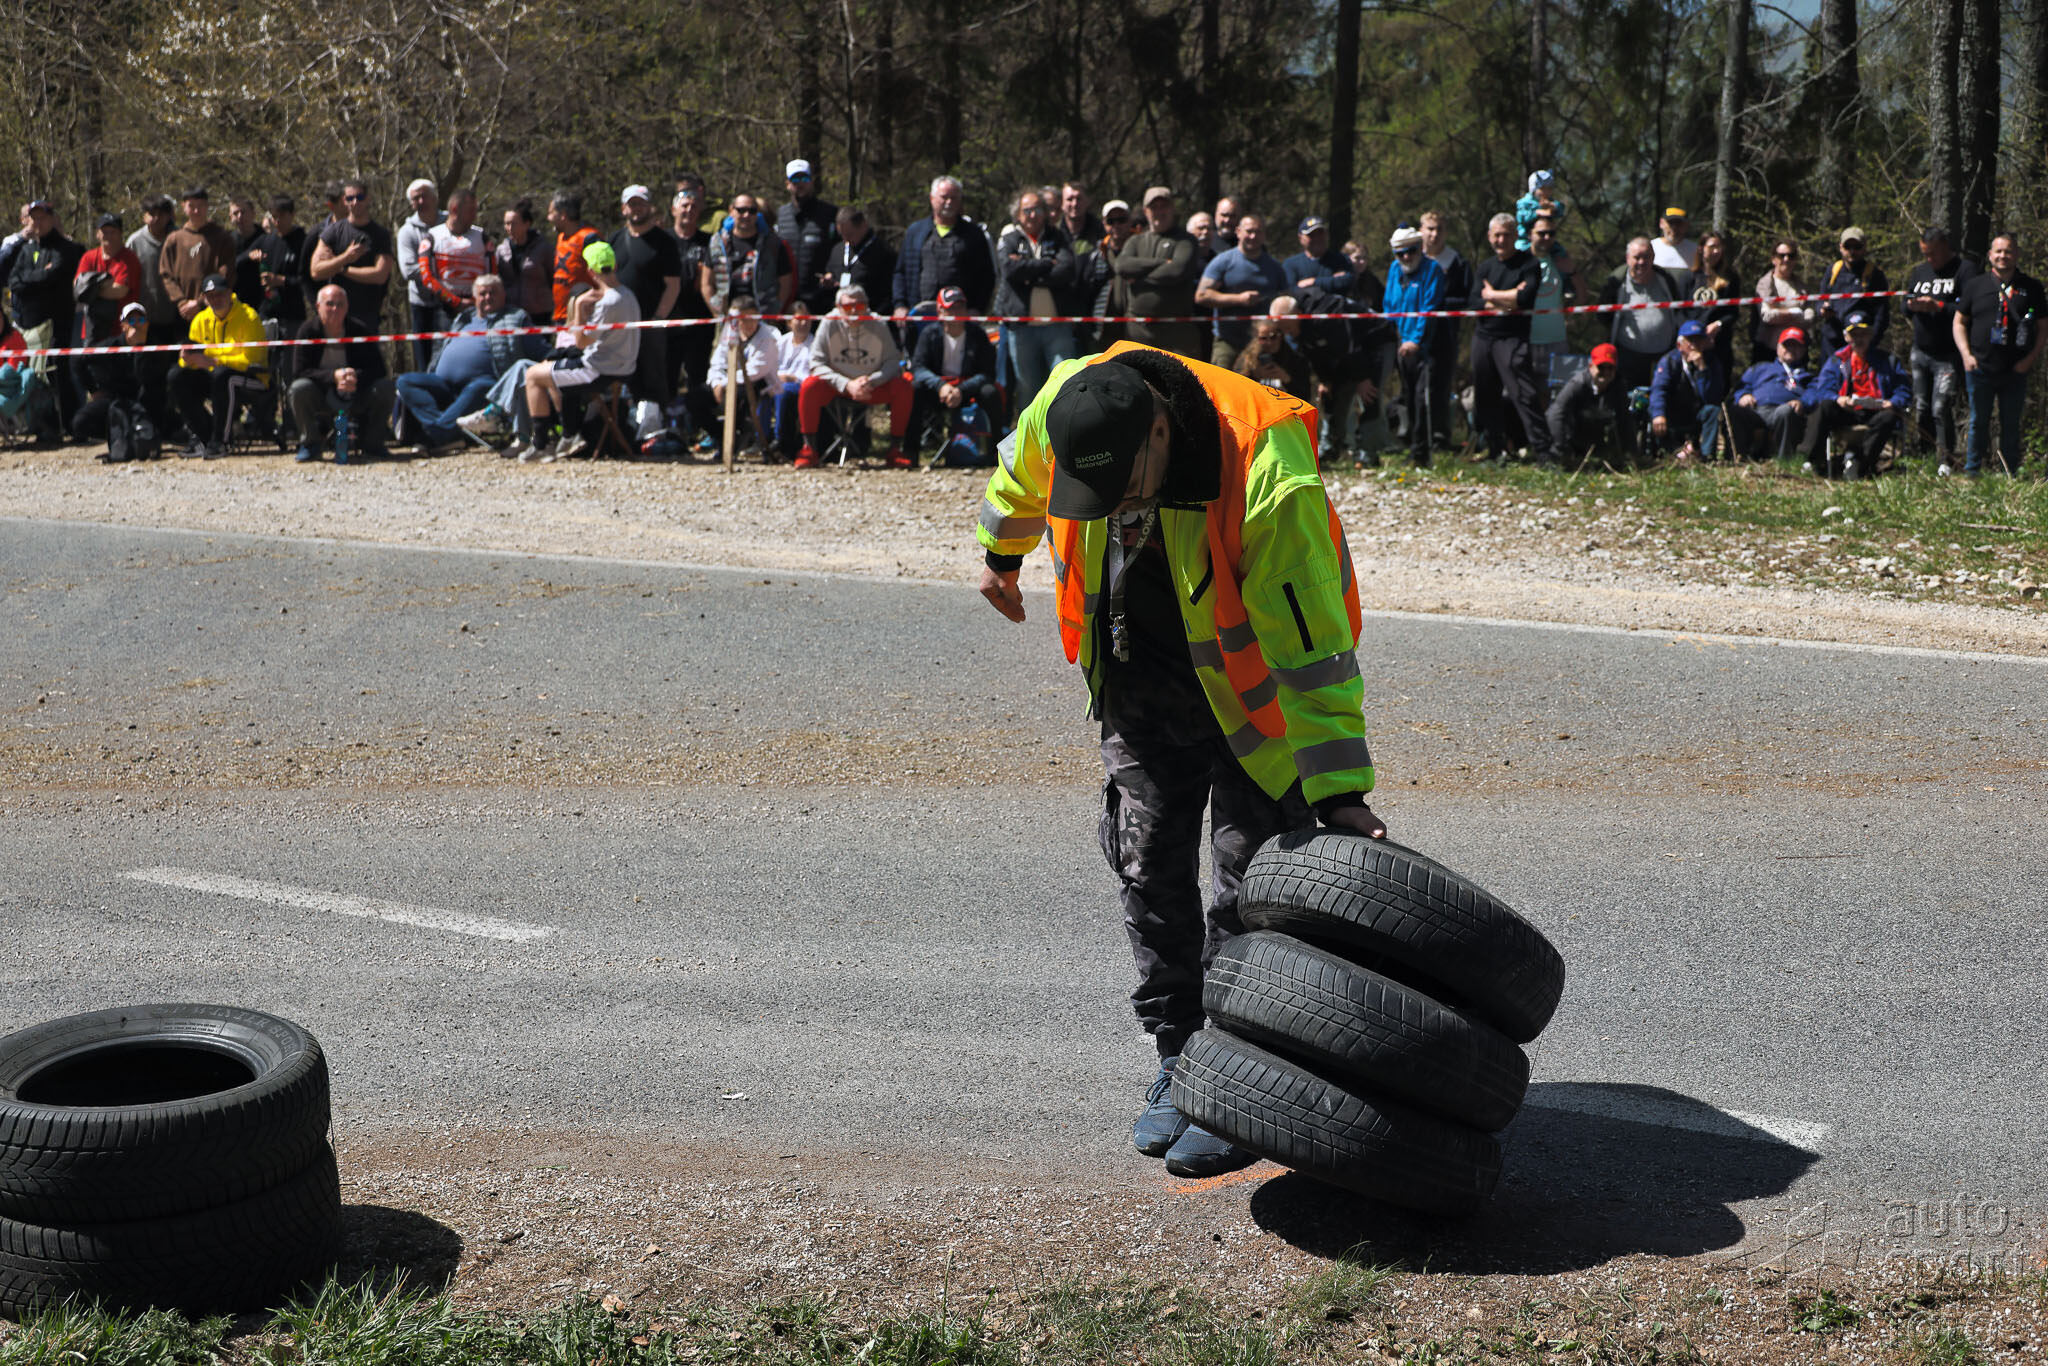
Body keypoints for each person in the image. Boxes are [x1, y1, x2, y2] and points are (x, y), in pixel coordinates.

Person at [972, 341, 1384, 1179]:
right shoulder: (1070, 403)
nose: (1113, 511)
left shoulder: (1265, 465)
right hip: (1138, 680)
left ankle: (1234, 1072)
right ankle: (1178, 1053)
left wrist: (1339, 788)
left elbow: (1312, 645)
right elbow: (1018, 473)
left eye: (1125, 488)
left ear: (1160, 432)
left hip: (1254, 706)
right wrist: (999, 554)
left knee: (1246, 889)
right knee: (1147, 867)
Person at [523, 239, 641, 462]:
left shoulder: (609, 301)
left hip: (598, 369)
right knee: (552, 370)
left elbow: (580, 341)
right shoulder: (628, 294)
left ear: (590, 271)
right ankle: (569, 434)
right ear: (614, 266)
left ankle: (541, 444)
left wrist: (578, 307)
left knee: (533, 376)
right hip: (622, 366)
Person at [396, 274, 536, 455]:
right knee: (406, 381)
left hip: (487, 386)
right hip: (444, 384)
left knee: (479, 386)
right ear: (475, 297)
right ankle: (445, 433)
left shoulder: (515, 319)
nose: (488, 297)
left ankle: (435, 435)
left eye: (493, 292)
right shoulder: (463, 318)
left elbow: (537, 350)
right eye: (482, 293)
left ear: (504, 295)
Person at [1952, 233, 2046, 477]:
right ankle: (1972, 473)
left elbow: (2043, 327)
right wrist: (1966, 355)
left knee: (2011, 423)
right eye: (1999, 251)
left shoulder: (2032, 287)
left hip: (2015, 368)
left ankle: (2009, 474)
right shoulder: (1975, 285)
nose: (2003, 256)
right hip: (1980, 367)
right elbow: (1959, 322)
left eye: (2009, 251)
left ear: (2017, 255)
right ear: (1990, 255)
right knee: (1978, 421)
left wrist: (2030, 360)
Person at [798, 283, 912, 468]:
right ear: (838, 307)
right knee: (809, 386)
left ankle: (895, 450)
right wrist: (846, 384)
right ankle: (808, 449)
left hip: (871, 386)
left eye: (859, 306)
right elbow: (816, 363)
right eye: (847, 306)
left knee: (903, 386)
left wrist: (872, 381)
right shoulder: (828, 322)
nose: (854, 311)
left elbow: (893, 362)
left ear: (867, 306)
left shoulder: (878, 324)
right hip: (837, 385)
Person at [1470, 212, 1551, 465]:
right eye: (1497, 235)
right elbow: (1474, 301)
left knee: (1523, 394)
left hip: (1513, 339)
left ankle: (1545, 452)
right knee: (1485, 395)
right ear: (1489, 237)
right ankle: (1496, 450)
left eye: (1506, 235)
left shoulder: (1528, 264)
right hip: (1484, 337)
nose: (1501, 240)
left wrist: (1492, 295)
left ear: (1515, 236)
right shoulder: (1485, 267)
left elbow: (1525, 299)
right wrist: (1509, 298)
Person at [994, 188, 1080, 412]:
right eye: (1027, 210)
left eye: (1037, 210)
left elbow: (1067, 270)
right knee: (1028, 388)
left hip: (1057, 327)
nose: (1032, 215)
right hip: (1022, 329)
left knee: (1065, 385)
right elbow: (1009, 270)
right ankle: (1028, 434)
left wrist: (1028, 274)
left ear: (1045, 213)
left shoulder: (1058, 237)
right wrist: (1046, 264)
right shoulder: (1009, 238)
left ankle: (1061, 432)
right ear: (1018, 214)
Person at [290, 283, 394, 464]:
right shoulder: (307, 331)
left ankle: (373, 443)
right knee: (298, 389)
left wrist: (355, 377)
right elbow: (299, 371)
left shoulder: (359, 330)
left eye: (340, 304)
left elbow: (379, 369)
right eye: (330, 304)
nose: (335, 309)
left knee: (386, 387)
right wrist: (333, 376)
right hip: (322, 394)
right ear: (318, 306)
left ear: (347, 307)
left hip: (356, 393)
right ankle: (310, 444)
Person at [1798, 310, 1908, 479]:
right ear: (1846, 337)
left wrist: (1892, 402)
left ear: (1870, 335)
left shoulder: (1888, 360)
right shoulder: (1836, 360)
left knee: (1890, 416)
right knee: (1825, 406)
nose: (1859, 339)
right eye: (1854, 335)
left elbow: (1904, 390)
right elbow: (1823, 390)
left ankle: (1860, 463)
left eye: (1863, 334)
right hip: (1847, 411)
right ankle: (1810, 460)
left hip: (1876, 412)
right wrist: (1838, 399)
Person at [1901, 226, 1978, 467]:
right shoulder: (1920, 272)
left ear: (1945, 246)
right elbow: (1904, 304)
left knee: (1940, 407)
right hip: (1920, 350)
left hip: (1948, 353)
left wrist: (1939, 307)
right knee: (1922, 406)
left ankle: (1947, 459)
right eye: (1925, 253)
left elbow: (1971, 309)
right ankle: (1925, 457)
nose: (1929, 259)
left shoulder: (1965, 270)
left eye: (1933, 253)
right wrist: (1912, 305)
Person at [171, 273, 265, 458]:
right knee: (177, 376)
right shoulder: (200, 320)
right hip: (214, 376)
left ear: (230, 293)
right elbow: (188, 357)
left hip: (253, 378)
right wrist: (188, 359)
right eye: (210, 296)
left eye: (220, 294)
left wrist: (216, 361)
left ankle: (221, 441)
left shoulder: (249, 317)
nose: (216, 300)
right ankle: (203, 437)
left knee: (223, 377)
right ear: (204, 298)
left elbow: (252, 360)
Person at [609, 184, 683, 417]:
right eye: (632, 204)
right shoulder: (614, 240)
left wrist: (658, 318)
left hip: (652, 323)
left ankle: (657, 424)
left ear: (650, 207)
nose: (637, 209)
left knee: (654, 377)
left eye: (641, 203)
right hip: (622, 325)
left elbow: (673, 285)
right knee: (623, 378)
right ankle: (628, 425)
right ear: (624, 208)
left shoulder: (664, 242)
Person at [910, 284, 1005, 463]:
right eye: (950, 308)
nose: (956, 312)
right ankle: (910, 452)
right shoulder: (929, 334)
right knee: (915, 389)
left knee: (991, 392)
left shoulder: (978, 335)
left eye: (960, 307)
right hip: (938, 390)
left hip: (968, 390)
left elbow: (987, 373)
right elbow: (918, 368)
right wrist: (941, 386)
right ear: (940, 312)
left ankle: (997, 452)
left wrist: (961, 390)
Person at [1114, 187, 1202, 359]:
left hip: (1177, 333)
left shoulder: (1186, 240)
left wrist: (1139, 279)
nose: (1159, 212)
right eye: (1154, 207)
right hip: (1138, 331)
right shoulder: (1135, 241)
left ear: (1172, 209)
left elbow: (1176, 270)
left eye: (1164, 206)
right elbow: (1122, 266)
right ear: (1146, 211)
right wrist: (1160, 262)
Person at [1382, 224, 1444, 466]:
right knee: (1407, 396)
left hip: (1426, 346)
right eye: (1401, 253)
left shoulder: (1432, 269)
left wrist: (1415, 340)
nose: (1407, 257)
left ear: (1420, 248)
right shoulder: (1394, 270)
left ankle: (1423, 451)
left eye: (1411, 251)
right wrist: (1394, 336)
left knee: (1422, 398)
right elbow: (1389, 305)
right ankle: (1411, 446)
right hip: (1401, 344)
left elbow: (1429, 308)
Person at [892, 175, 996, 318]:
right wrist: (900, 305)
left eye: (954, 198)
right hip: (919, 314)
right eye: (944, 197)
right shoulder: (915, 232)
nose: (949, 202)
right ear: (932, 198)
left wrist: (977, 308)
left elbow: (986, 276)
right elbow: (900, 273)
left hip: (959, 317)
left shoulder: (974, 234)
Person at [1195, 214, 1287, 369]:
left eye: (1258, 232)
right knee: (1220, 382)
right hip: (1227, 341)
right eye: (1249, 231)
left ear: (1264, 235)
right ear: (1238, 232)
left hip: (1264, 343)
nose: (1253, 236)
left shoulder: (1275, 267)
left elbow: (1285, 299)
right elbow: (1201, 295)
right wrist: (1239, 299)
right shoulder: (1223, 261)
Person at [1597, 237, 1685, 391]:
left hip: (1663, 355)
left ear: (1653, 257)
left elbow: (1680, 311)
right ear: (1627, 258)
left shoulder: (1666, 280)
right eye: (1637, 257)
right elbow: (1603, 316)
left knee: (1661, 396)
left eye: (1646, 257)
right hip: (1628, 356)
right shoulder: (1617, 282)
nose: (1642, 262)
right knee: (1630, 398)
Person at [1417, 210, 1471, 453]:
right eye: (1430, 229)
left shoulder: (1456, 262)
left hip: (1445, 333)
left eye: (1439, 229)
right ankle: (1416, 437)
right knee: (1416, 388)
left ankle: (1440, 437)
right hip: (1416, 333)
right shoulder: (1411, 257)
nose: (1434, 234)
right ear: (1421, 231)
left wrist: (1438, 305)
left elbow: (1466, 298)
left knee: (1440, 386)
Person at [308, 180, 396, 327]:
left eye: (360, 197)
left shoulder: (380, 234)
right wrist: (345, 258)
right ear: (344, 200)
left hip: (368, 313)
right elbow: (316, 271)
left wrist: (341, 269)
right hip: (336, 314)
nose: (355, 202)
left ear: (368, 199)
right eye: (350, 198)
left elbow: (380, 275)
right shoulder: (333, 232)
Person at [706, 291, 780, 452]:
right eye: (744, 319)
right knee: (696, 399)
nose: (749, 323)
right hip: (729, 382)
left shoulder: (768, 336)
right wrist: (716, 382)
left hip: (758, 384)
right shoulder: (730, 332)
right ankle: (721, 437)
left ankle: (739, 436)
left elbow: (756, 370)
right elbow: (717, 361)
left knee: (736, 395)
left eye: (752, 318)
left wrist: (725, 383)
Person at [1727, 327, 1814, 460]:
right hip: (1756, 409)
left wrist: (1802, 402)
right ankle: (1737, 458)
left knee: (1785, 411)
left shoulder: (1808, 377)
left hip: (1784, 411)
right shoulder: (1760, 368)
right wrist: (1743, 395)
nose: (1791, 349)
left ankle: (1784, 461)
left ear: (1803, 350)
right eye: (1787, 345)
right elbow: (1741, 387)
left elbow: (1814, 394)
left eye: (1796, 346)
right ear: (1778, 347)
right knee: (1735, 411)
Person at [1646, 319, 1726, 462]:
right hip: (1673, 413)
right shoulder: (1669, 362)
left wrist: (1702, 369)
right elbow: (1658, 390)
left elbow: (1712, 398)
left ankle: (1707, 457)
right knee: (1657, 414)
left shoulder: (1712, 363)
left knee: (1712, 410)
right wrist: (1658, 414)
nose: (1694, 345)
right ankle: (1669, 453)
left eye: (1699, 340)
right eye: (1690, 340)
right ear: (1679, 345)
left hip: (1696, 413)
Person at [73, 302, 151, 447]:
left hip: (143, 400)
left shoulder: (155, 346)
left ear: (147, 324)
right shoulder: (111, 346)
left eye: (140, 320)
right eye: (131, 321)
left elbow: (146, 377)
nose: (136, 325)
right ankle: (116, 434)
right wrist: (93, 390)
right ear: (123, 325)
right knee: (80, 422)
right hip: (113, 399)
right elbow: (78, 361)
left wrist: (139, 347)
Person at [160, 189, 236, 340]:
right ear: (183, 206)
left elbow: (226, 273)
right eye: (191, 206)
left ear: (207, 206)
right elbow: (166, 274)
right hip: (182, 313)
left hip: (213, 309)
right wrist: (182, 302)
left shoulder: (222, 237)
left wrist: (200, 301)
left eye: (200, 205)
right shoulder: (174, 239)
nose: (196, 211)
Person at [704, 190, 794, 315]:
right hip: (727, 316)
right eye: (741, 210)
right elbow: (706, 283)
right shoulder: (717, 243)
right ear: (731, 211)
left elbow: (785, 282)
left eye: (752, 211)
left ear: (757, 214)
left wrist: (774, 312)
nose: (746, 215)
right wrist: (717, 313)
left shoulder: (772, 243)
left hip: (763, 315)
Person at [1547, 342, 1636, 464]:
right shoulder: (1577, 384)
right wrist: (1559, 446)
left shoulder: (1619, 385)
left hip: (1598, 442)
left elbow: (1625, 418)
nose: (1606, 372)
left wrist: (1631, 452)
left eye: (1610, 368)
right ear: (1591, 367)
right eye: (1601, 367)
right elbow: (1555, 413)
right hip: (1571, 438)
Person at [777, 159, 840, 315]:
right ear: (787, 184)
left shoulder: (831, 213)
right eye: (795, 179)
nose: (800, 184)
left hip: (820, 298)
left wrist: (832, 273)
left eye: (804, 178)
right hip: (786, 297)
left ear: (812, 181)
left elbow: (841, 248)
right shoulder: (780, 215)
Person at [395, 178, 445, 370]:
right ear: (411, 204)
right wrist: (445, 265)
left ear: (435, 197)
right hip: (421, 304)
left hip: (452, 302)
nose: (421, 201)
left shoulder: (451, 222)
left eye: (425, 196)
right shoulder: (406, 232)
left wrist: (427, 267)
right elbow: (408, 270)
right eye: (416, 198)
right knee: (424, 360)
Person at [1525, 214, 1582, 381]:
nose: (1547, 237)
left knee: (1556, 391)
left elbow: (1582, 297)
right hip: (1525, 340)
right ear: (1530, 234)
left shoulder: (1560, 261)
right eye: (1541, 233)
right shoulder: (1520, 262)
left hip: (1557, 341)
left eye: (1551, 233)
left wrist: (1572, 272)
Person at [419, 188, 491, 320]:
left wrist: (477, 300)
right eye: (470, 210)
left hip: (478, 308)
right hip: (444, 309)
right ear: (454, 209)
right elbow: (427, 278)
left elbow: (492, 275)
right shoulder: (432, 238)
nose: (475, 215)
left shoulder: (482, 237)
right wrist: (456, 302)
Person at [1817, 227, 1890, 354]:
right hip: (1832, 339)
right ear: (1840, 247)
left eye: (1857, 247)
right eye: (1847, 247)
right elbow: (1820, 299)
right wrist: (1822, 310)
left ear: (1864, 247)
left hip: (1861, 342)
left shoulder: (1874, 275)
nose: (1852, 251)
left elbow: (1882, 313)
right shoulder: (1833, 270)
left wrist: (1872, 341)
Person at [75, 213, 141, 344]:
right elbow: (78, 289)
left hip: (121, 330)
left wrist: (91, 288)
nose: (109, 236)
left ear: (120, 234)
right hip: (91, 330)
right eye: (105, 232)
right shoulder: (88, 257)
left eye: (113, 232)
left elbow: (120, 291)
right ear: (97, 234)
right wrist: (106, 285)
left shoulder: (129, 259)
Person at [1234, 304, 1313, 403]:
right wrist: (1255, 376)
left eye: (1273, 337)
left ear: (1280, 336)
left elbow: (1305, 397)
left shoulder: (1295, 359)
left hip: (1286, 407)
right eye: (1263, 338)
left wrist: (1287, 379)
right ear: (1257, 338)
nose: (1269, 342)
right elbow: (1237, 393)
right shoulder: (1247, 360)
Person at [823, 205, 895, 315]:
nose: (846, 239)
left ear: (863, 226)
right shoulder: (838, 250)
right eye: (842, 235)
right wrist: (828, 279)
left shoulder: (883, 251)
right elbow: (830, 272)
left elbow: (889, 291)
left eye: (849, 235)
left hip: (870, 315)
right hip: (841, 314)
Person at [1753, 237, 1814, 362]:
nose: (1786, 259)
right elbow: (1767, 316)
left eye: (1791, 256)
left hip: (1797, 352)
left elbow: (1809, 317)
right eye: (1782, 255)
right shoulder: (1764, 285)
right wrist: (1793, 313)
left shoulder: (1802, 288)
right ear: (1773, 259)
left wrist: (1779, 314)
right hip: (1768, 350)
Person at [494, 197, 554, 321]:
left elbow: (553, 277)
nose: (510, 228)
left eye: (514, 223)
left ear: (527, 224)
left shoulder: (543, 248)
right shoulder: (501, 250)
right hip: (511, 313)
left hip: (540, 313)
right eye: (507, 224)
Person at [546, 190, 601, 325]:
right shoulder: (561, 237)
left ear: (563, 215)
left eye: (551, 213)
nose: (549, 218)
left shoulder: (589, 237)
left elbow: (603, 276)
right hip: (562, 314)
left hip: (584, 315)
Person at [1283, 217, 1358, 299]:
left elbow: (1347, 281)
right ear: (1300, 238)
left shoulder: (1341, 259)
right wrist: (1332, 280)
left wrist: (1313, 282)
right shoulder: (1291, 264)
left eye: (1320, 233)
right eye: (1311, 235)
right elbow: (1291, 290)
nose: (1317, 238)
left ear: (1327, 234)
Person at [227, 197, 266, 309]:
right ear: (230, 217)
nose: (240, 216)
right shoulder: (228, 241)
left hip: (263, 303)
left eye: (243, 212)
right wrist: (247, 256)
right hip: (236, 303)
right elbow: (226, 268)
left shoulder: (265, 237)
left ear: (253, 213)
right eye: (235, 213)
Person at [1514, 170, 1565, 250]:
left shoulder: (1551, 202)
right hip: (1525, 239)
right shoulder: (1525, 203)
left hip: (1547, 239)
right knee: (1520, 250)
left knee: (1560, 251)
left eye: (1549, 189)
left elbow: (1561, 210)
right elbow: (1521, 218)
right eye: (1542, 189)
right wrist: (1537, 213)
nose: (1546, 192)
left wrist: (1553, 207)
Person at [1652, 206, 1698, 274]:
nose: (1674, 228)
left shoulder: (1695, 250)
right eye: (1670, 223)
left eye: (1679, 223)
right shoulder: (1651, 247)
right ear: (1661, 223)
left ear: (1687, 225)